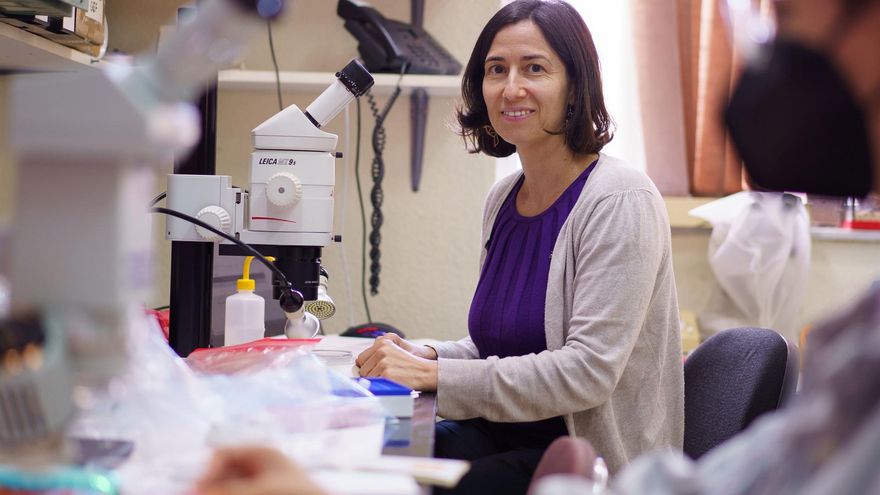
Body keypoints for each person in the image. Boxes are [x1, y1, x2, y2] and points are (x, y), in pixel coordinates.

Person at [354, 1, 683, 493]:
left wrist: (435, 375)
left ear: (576, 84)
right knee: (370, 456)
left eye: (534, 68)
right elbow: (495, 349)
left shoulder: (621, 200)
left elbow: (587, 372)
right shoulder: (503, 197)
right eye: (496, 69)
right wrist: (422, 354)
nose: (511, 88)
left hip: (586, 459)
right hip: (503, 431)